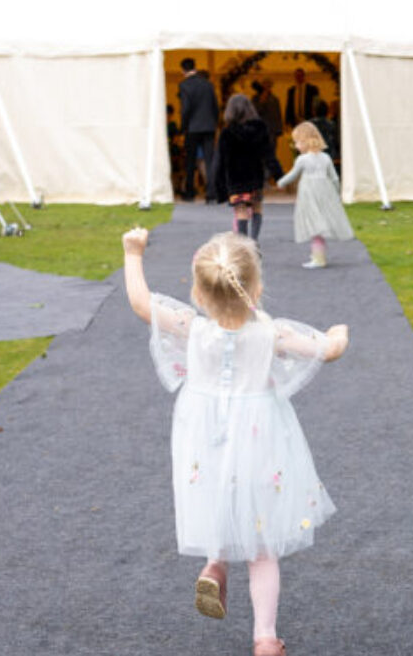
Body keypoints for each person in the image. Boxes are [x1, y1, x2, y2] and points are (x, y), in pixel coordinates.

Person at [122, 227, 349, 656]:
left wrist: (133, 252)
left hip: (204, 438)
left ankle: (215, 565)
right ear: (257, 285)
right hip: (260, 440)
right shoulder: (271, 333)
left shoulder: (192, 327)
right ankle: (265, 637)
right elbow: (327, 350)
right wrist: (339, 333)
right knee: (262, 547)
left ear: (198, 293)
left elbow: (139, 301)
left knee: (218, 500)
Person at [277, 121, 354, 269]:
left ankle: (319, 259)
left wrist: (280, 183)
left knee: (315, 227)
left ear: (305, 141)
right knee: (319, 225)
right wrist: (336, 193)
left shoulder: (302, 160)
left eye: (297, 142)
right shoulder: (326, 158)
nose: (296, 146)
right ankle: (318, 255)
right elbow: (334, 178)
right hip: (325, 194)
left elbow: (293, 175)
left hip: (309, 195)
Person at [214, 93, 279, 241]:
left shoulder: (227, 133)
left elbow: (221, 161)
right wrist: (278, 175)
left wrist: (218, 187)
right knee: (257, 207)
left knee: (241, 210)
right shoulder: (260, 129)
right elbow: (269, 155)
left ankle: (244, 244)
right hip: (255, 177)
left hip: (236, 180)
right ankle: (254, 240)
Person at [179, 57, 219, 202]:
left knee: (190, 161)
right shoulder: (208, 84)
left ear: (183, 70)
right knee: (209, 160)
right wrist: (214, 123)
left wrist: (183, 127)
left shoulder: (184, 85)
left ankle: (190, 192)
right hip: (209, 126)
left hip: (192, 127)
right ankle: (211, 193)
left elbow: (186, 109)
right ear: (194, 67)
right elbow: (215, 106)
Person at [251, 78, 284, 183]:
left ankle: (270, 176)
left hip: (272, 131)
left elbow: (278, 115)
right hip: (260, 132)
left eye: (268, 86)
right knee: (260, 155)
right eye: (265, 85)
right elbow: (255, 113)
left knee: (272, 154)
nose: (267, 88)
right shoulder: (255, 99)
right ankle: (262, 177)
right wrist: (262, 100)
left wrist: (279, 129)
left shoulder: (275, 99)